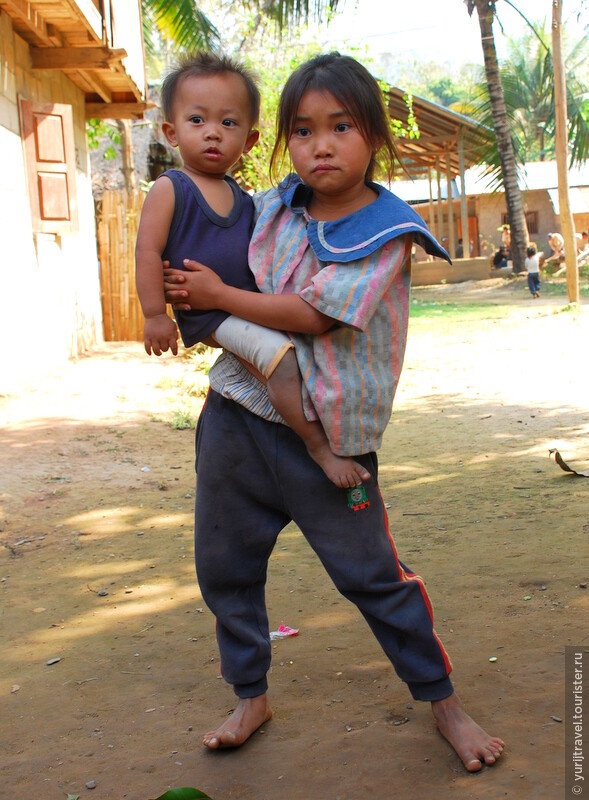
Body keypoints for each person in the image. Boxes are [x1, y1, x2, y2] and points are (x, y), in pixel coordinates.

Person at [164, 52, 504, 773]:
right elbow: (205, 224)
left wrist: (218, 298)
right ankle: (249, 693)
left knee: (374, 576)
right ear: (283, 141)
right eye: (302, 129)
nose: (320, 145)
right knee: (224, 564)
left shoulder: (386, 231)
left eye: (340, 126)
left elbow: (311, 316)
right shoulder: (274, 206)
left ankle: (442, 700)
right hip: (238, 414)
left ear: (373, 137)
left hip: (330, 440)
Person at [135, 52, 369, 489]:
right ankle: (319, 448)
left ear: (249, 140)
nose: (212, 133)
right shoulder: (170, 189)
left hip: (239, 305)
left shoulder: (246, 200)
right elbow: (147, 251)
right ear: (171, 132)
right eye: (197, 120)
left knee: (293, 357)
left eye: (228, 123)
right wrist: (154, 313)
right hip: (213, 313)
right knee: (281, 362)